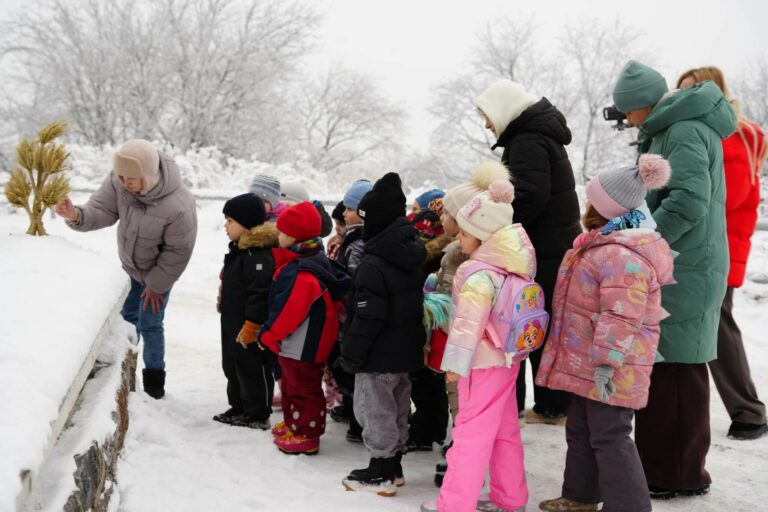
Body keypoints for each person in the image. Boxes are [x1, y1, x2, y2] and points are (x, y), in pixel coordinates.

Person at [612, 59, 736, 499]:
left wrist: (645, 240)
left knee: (678, 367)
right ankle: (662, 467)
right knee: (665, 364)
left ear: (643, 105)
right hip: (678, 260)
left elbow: (687, 202)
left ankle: (679, 473)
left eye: (627, 111)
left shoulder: (682, 130)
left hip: (690, 263)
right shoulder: (669, 130)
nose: (626, 120)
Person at [537, 155, 676, 512]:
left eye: (591, 199)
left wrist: (606, 364)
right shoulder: (601, 244)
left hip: (611, 368)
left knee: (610, 436)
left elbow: (621, 315)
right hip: (587, 360)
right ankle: (580, 497)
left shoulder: (622, 255)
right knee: (581, 430)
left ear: (603, 208)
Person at [55, 139, 197, 399]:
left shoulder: (179, 205)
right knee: (125, 321)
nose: (124, 182)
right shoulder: (119, 181)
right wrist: (76, 214)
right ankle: (122, 376)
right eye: (119, 175)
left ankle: (154, 383)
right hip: (130, 269)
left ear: (149, 173)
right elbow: (101, 210)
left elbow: (178, 252)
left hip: (159, 274)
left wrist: (156, 285)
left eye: (131, 177)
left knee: (150, 322)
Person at [475, 79, 582, 424]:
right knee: (545, 322)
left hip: (543, 249)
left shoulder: (528, 141)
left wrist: (493, 221)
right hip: (553, 246)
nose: (487, 124)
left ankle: (550, 406)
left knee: (533, 320)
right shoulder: (535, 136)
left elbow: (530, 198)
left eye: (488, 116)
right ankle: (552, 404)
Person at [421, 177, 530, 512]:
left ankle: (455, 504)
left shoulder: (478, 276)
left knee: (469, 435)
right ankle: (510, 498)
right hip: (507, 361)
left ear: (482, 236)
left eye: (464, 233)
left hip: (478, 366)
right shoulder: (513, 265)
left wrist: (453, 366)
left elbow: (466, 327)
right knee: (504, 431)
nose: (458, 237)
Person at [678, 66, 768, 441]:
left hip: (717, 246)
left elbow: (717, 198)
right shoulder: (727, 132)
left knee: (717, 325)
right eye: (680, 90)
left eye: (692, 90)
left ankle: (749, 411)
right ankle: (746, 410)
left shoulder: (727, 135)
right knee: (716, 323)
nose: (684, 97)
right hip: (721, 244)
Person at [339, 173, 426, 497]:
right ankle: (395, 465)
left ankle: (381, 470)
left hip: (377, 356)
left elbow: (366, 317)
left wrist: (351, 353)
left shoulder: (374, 264)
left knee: (374, 412)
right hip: (403, 354)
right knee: (398, 410)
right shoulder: (409, 256)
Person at [432, 160, 510, 488]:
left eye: (448, 214)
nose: (441, 218)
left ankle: (463, 467)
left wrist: (433, 305)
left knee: (463, 407)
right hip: (476, 348)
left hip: (467, 349)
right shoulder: (463, 253)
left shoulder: (465, 259)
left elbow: (461, 311)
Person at [257, 202, 351, 454]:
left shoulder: (301, 272)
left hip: (303, 342)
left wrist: (268, 334)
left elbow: (288, 311)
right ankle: (294, 424)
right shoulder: (304, 260)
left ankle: (307, 434)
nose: (278, 236)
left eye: (281, 231)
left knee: (303, 387)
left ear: (293, 236)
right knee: (290, 384)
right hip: (299, 341)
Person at [214, 193, 277, 430]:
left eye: (230, 221)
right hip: (232, 321)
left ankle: (257, 412)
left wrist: (253, 324)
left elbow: (259, 293)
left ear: (247, 223)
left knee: (252, 366)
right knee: (232, 364)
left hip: (249, 325)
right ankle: (239, 405)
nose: (225, 226)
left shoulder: (257, 254)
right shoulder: (239, 250)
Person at [329, 179, 374, 442]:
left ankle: (358, 424)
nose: (344, 214)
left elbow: (354, 281)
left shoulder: (357, 243)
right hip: (348, 316)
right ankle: (351, 414)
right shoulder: (354, 238)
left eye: (349, 208)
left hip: (351, 317)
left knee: (352, 370)